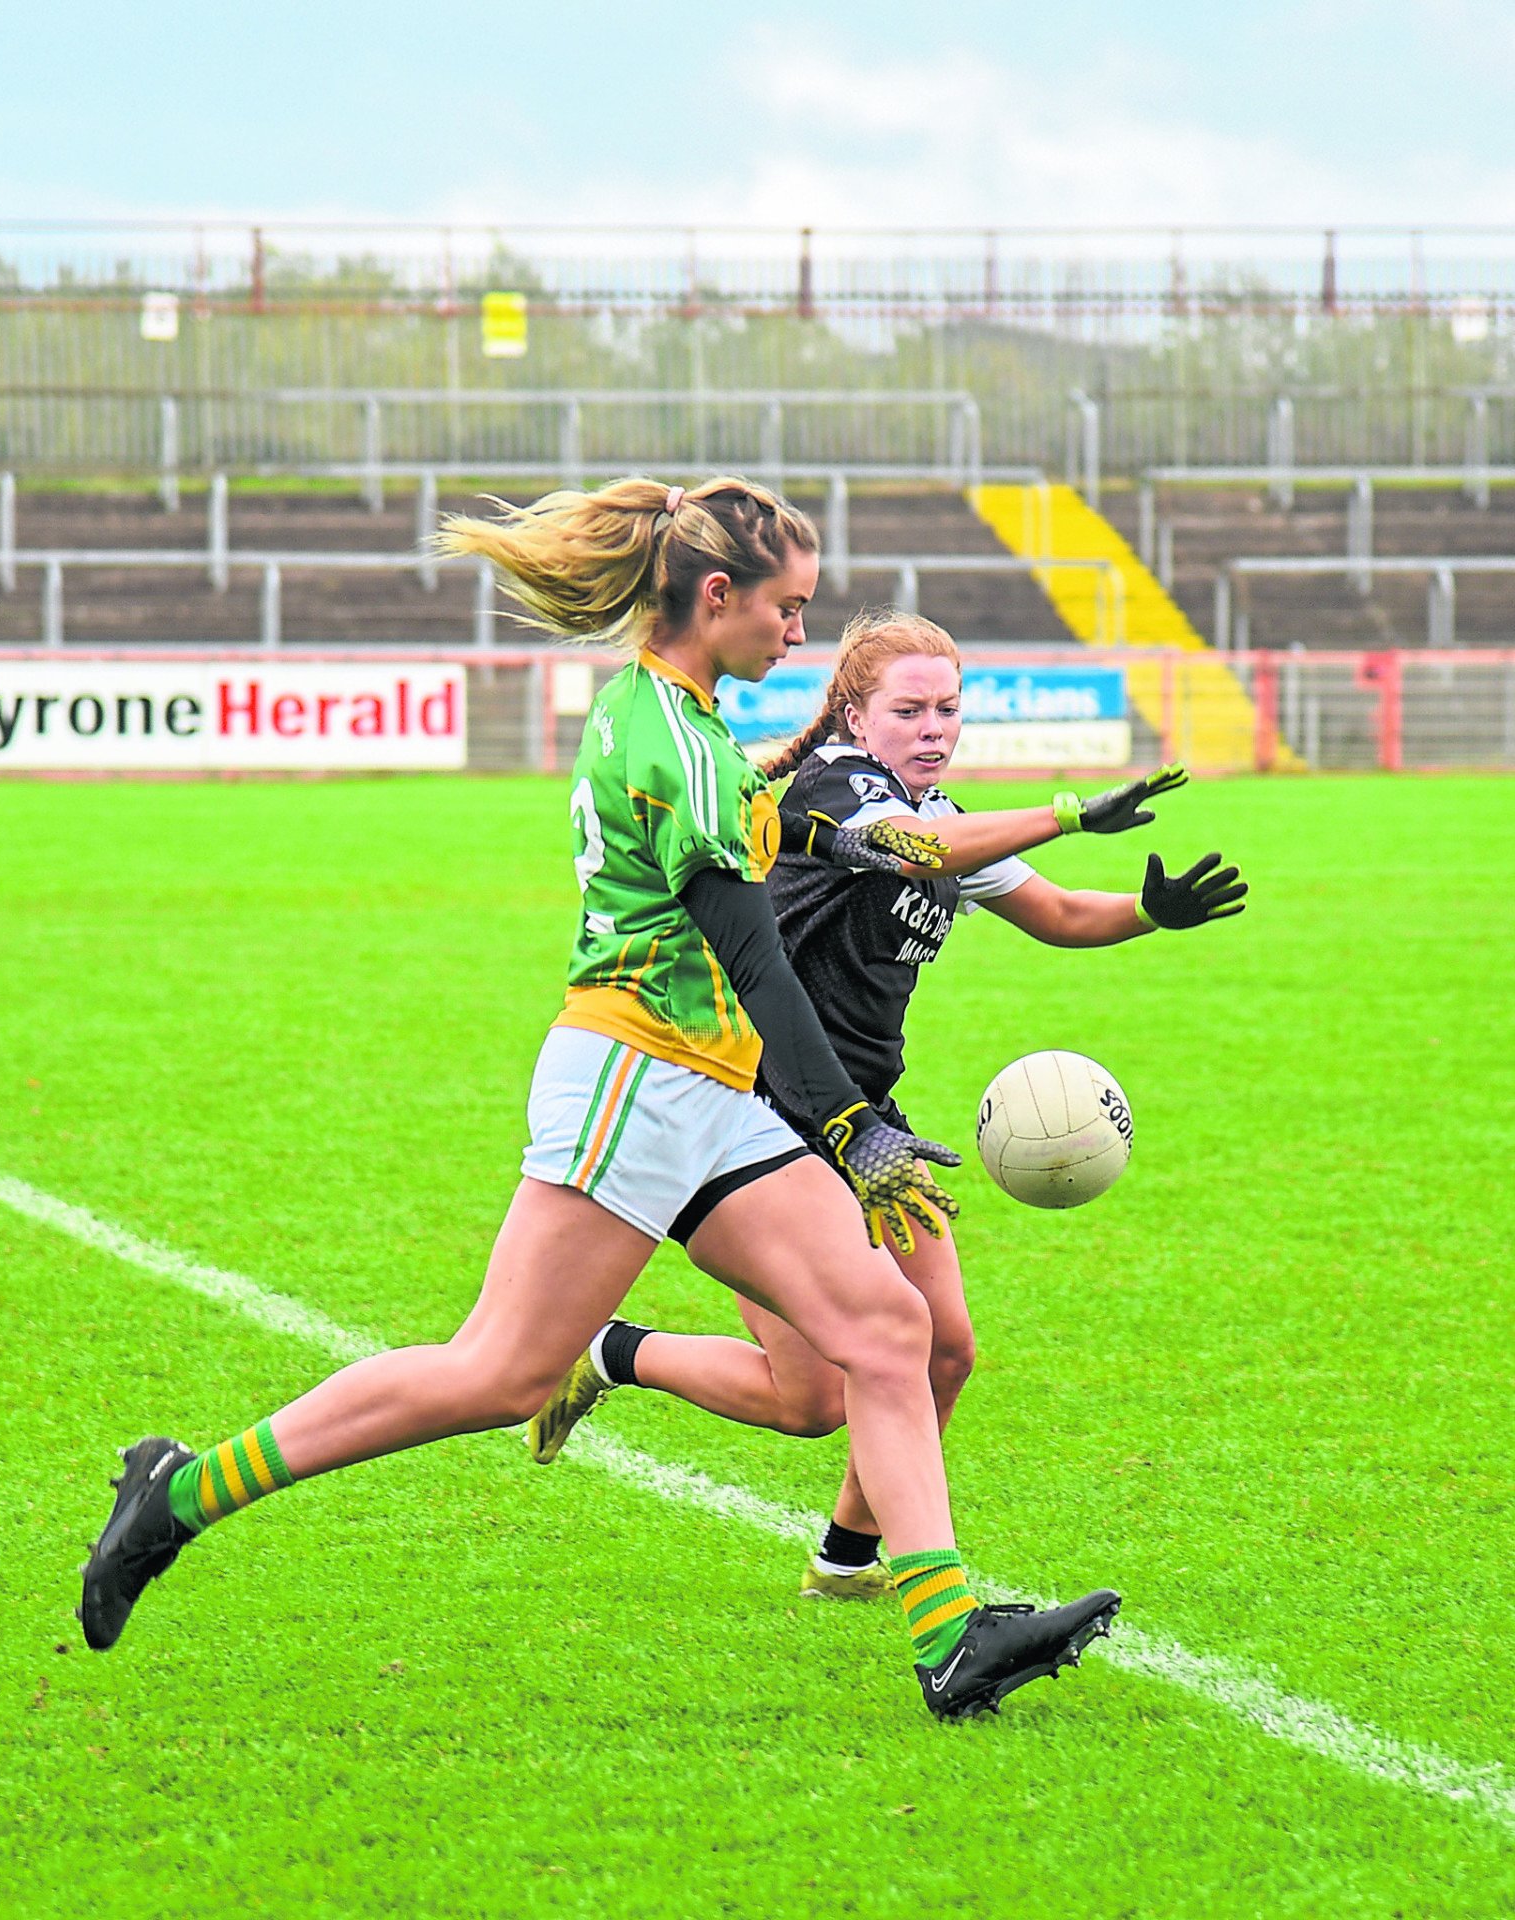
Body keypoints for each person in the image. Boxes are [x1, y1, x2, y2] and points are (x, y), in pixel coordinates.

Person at [78, 480, 1120, 1723]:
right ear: (716, 597)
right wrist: (852, 1126)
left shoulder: (680, 715)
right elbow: (749, 951)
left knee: (884, 1333)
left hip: (707, 1086)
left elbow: (793, 831)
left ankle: (948, 1641)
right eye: (787, 608)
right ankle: (179, 1492)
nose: (801, 635)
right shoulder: (670, 735)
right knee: (497, 1375)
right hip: (635, 1079)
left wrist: (1004, 826)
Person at [527, 609, 1246, 1602]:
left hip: (869, 1118)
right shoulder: (834, 793)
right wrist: (1068, 812)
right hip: (766, 1114)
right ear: (855, 718)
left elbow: (1055, 913)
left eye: (946, 708)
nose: (932, 727)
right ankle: (611, 1352)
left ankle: (848, 1559)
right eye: (907, 710)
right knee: (809, 1398)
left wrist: (1145, 914)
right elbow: (915, 847)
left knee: (943, 1347)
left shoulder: (951, 818)